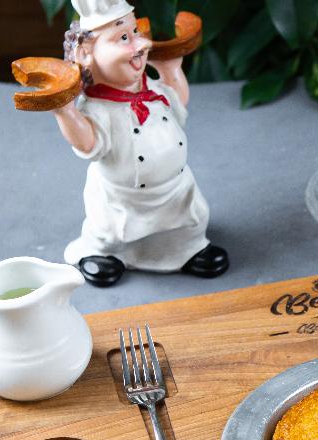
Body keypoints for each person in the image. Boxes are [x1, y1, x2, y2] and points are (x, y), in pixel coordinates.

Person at [53, 0, 228, 286]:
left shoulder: (152, 89)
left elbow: (177, 103)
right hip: (124, 200)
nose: (141, 44)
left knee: (189, 224)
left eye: (135, 31)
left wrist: (170, 69)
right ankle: (104, 255)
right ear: (86, 54)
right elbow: (88, 144)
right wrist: (65, 111)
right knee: (111, 233)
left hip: (176, 190)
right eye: (123, 38)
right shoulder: (99, 108)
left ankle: (187, 250)